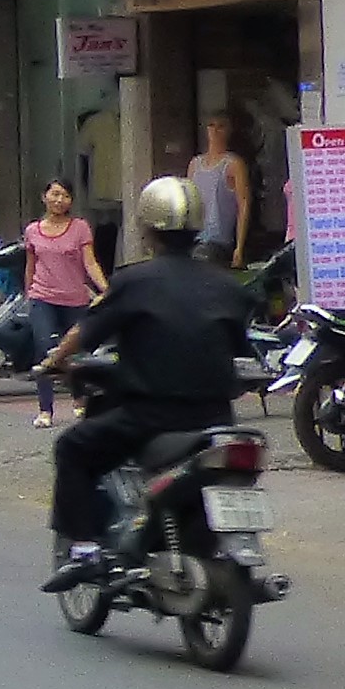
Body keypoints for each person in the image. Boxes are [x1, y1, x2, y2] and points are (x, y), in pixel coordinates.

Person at [42, 174, 258, 576]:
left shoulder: (133, 280)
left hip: (150, 416)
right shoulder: (228, 286)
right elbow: (240, 347)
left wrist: (56, 359)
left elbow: (84, 332)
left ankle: (86, 548)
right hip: (215, 418)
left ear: (146, 227)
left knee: (72, 448)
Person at [5, 181, 100, 422]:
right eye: (55, 194)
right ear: (44, 197)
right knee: (45, 351)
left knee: (75, 352)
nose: (59, 200)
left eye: (66, 195)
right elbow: (31, 264)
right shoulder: (33, 230)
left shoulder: (80, 228)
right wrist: (28, 294)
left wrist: (106, 289)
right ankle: (45, 410)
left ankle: (80, 400)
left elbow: (90, 262)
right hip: (42, 297)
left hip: (75, 298)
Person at [189, 112, 253, 264]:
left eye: (221, 126)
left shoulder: (233, 164)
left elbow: (243, 204)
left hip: (218, 239)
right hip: (194, 236)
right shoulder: (195, 164)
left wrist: (239, 247)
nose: (215, 130)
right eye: (211, 125)